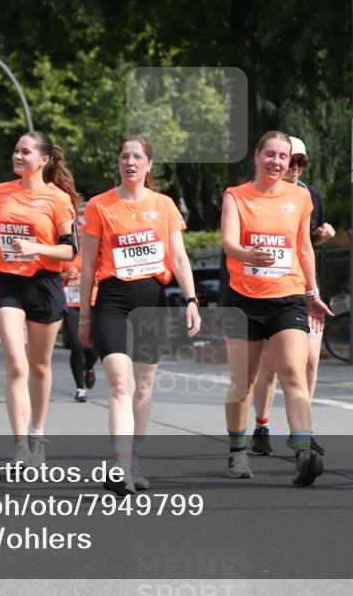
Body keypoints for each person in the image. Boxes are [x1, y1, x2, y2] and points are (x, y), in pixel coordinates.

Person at [78, 137, 201, 494]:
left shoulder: (163, 205)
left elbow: (178, 258)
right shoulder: (101, 205)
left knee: (143, 387)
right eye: (124, 156)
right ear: (118, 163)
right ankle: (119, 469)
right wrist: (85, 317)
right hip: (112, 301)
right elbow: (87, 267)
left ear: (149, 165)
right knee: (119, 383)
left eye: (137, 157)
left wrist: (192, 300)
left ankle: (133, 462)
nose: (129, 162)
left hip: (151, 301)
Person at [220, 131, 331, 486]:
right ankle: (237, 451)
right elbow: (228, 242)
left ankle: (302, 451)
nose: (277, 162)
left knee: (294, 374)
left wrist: (312, 292)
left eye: (283, 157)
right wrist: (245, 254)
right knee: (243, 382)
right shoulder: (236, 196)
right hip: (244, 301)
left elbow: (304, 249)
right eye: (270, 155)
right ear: (257, 156)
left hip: (288, 298)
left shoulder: (300, 197)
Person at [0, 131, 78, 466]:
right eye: (16, 151)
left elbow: (70, 249)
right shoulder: (2, 191)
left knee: (41, 365)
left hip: (44, 284)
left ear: (43, 160)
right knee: (17, 363)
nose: (17, 156)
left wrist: (36, 248)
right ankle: (19, 447)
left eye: (25, 152)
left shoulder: (58, 199)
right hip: (7, 283)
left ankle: (37, 432)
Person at [251, 136, 335, 457]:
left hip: (305, 287)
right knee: (271, 366)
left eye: (300, 162)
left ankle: (303, 429)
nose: (294, 168)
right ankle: (261, 426)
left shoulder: (309, 195)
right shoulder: (255, 194)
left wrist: (323, 236)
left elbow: (306, 244)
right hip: (272, 288)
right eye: (291, 161)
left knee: (311, 359)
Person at [61, 213, 99, 403]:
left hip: (93, 302)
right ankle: (80, 388)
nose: (82, 228)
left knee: (93, 347)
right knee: (76, 345)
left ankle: (89, 367)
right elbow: (54, 276)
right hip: (71, 303)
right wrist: (66, 274)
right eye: (79, 223)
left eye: (86, 222)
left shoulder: (99, 248)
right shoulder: (67, 249)